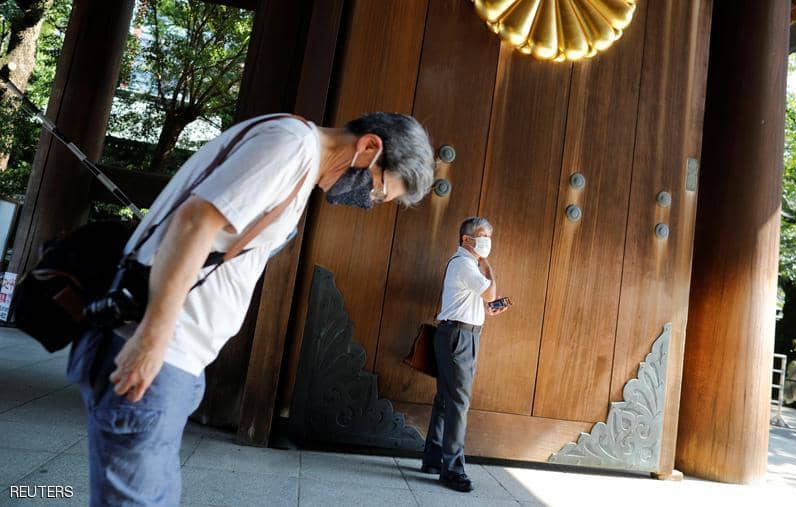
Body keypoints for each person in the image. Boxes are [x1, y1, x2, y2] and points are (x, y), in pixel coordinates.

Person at [66, 112, 434, 506]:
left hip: (178, 353)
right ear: (370, 146)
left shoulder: (298, 159)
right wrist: (152, 342)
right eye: (378, 190)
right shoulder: (291, 146)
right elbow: (195, 223)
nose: (367, 200)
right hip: (160, 348)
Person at [421, 217, 510, 493]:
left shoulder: (466, 265)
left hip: (460, 334)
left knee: (446, 400)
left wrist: (488, 309)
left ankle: (434, 459)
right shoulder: (464, 263)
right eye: (483, 236)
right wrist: (488, 266)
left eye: (489, 236)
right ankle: (452, 470)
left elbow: (481, 301)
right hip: (459, 337)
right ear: (466, 239)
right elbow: (490, 291)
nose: (488, 241)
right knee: (459, 402)